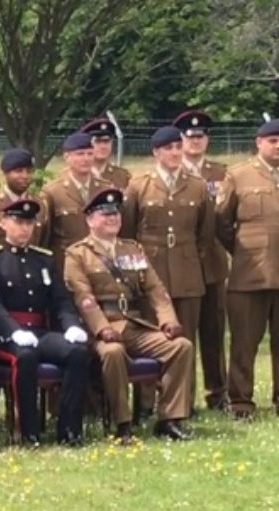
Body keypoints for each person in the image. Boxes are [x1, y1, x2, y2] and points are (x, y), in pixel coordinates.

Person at [63, 189, 194, 444]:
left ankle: (169, 419)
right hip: (102, 328)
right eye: (105, 215)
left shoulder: (132, 249)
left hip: (134, 324)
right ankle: (122, 424)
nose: (112, 219)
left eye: (115, 214)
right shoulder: (77, 254)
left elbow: (156, 289)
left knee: (181, 346)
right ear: (89, 220)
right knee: (112, 352)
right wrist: (101, 328)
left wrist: (168, 320)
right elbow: (84, 298)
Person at [0, 199, 90, 446]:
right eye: (18, 222)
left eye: (29, 223)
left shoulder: (44, 260)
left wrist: (71, 325)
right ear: (3, 223)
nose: (24, 228)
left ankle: (69, 429)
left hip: (39, 330)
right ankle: (29, 430)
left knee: (77, 353)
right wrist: (13, 331)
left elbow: (61, 300)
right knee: (25, 357)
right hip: (6, 335)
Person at [120, 125, 212, 412]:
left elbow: (205, 233)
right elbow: (128, 232)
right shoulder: (139, 185)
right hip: (150, 270)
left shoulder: (197, 185)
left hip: (187, 271)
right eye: (168, 149)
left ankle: (182, 403)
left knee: (185, 339)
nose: (175, 153)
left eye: (177, 147)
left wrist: (190, 258)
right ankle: (146, 402)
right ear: (156, 152)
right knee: (150, 338)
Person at [215, 118, 279, 419]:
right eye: (273, 141)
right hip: (249, 273)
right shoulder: (238, 175)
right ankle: (241, 402)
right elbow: (221, 222)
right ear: (259, 143)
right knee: (244, 342)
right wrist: (242, 250)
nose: (278, 147)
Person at [174, 108, 230, 411]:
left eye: (201, 136)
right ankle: (185, 397)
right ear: (180, 139)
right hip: (181, 265)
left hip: (213, 263)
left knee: (213, 330)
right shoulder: (173, 173)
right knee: (183, 332)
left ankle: (218, 393)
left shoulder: (221, 173)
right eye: (190, 136)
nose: (196, 141)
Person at [41, 131, 113, 273]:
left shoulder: (105, 189)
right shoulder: (53, 192)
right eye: (80, 154)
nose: (86, 159)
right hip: (65, 266)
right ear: (67, 157)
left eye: (89, 153)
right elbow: (45, 236)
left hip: (100, 266)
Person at [81, 117, 132, 189]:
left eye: (106, 141)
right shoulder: (76, 174)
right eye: (97, 141)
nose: (103, 146)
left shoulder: (122, 176)